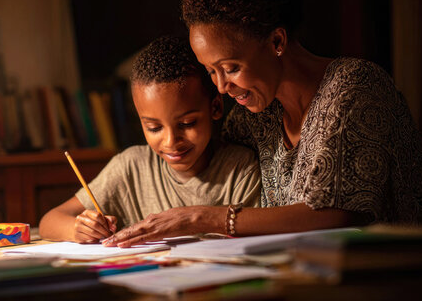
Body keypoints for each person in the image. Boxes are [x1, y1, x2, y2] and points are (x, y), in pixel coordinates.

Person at [104, 0, 422, 247]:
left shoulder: (355, 87)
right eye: (210, 71)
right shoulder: (255, 115)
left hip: (419, 271)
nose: (222, 86)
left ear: (277, 42)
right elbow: (206, 159)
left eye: (230, 67)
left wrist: (202, 216)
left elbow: (335, 215)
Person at [38, 36, 261, 244]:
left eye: (186, 124)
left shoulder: (241, 169)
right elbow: (50, 220)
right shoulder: (131, 167)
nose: (171, 141)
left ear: (215, 107)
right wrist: (78, 228)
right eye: (154, 128)